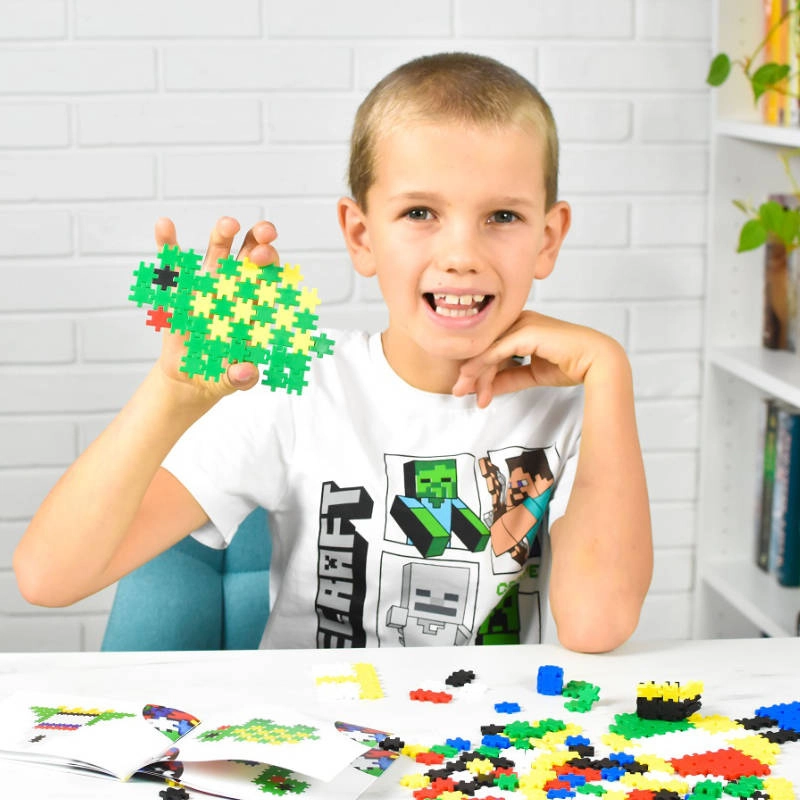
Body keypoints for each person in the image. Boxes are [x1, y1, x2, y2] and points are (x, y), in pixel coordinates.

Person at [14, 52, 652, 653]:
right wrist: (172, 394)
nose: (461, 254)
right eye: (421, 212)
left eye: (503, 217)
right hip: (313, 725)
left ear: (548, 238)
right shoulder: (298, 387)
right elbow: (49, 578)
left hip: (490, 730)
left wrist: (609, 371)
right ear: (361, 235)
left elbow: (597, 626)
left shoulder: (573, 405)